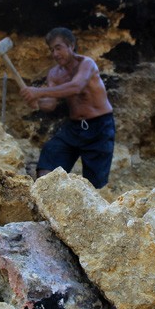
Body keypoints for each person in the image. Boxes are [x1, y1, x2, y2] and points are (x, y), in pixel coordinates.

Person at [20, 27, 115, 189]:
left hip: (100, 127)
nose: (55, 54)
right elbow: (50, 104)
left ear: (71, 45)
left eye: (58, 48)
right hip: (74, 128)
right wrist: (36, 102)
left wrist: (38, 92)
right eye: (52, 50)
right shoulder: (54, 74)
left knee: (95, 185)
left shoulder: (87, 64)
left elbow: (76, 86)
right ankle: (46, 195)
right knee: (50, 156)